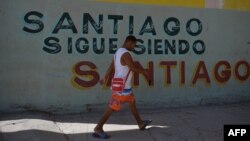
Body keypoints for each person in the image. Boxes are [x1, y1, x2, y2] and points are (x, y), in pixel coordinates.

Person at [93, 35, 152, 139]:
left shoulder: (118, 52)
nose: (134, 47)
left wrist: (105, 77)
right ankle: (98, 128)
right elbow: (133, 68)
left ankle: (140, 123)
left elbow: (112, 66)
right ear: (129, 42)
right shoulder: (126, 54)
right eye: (134, 45)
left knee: (132, 103)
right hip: (122, 89)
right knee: (112, 107)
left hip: (123, 87)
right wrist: (145, 71)